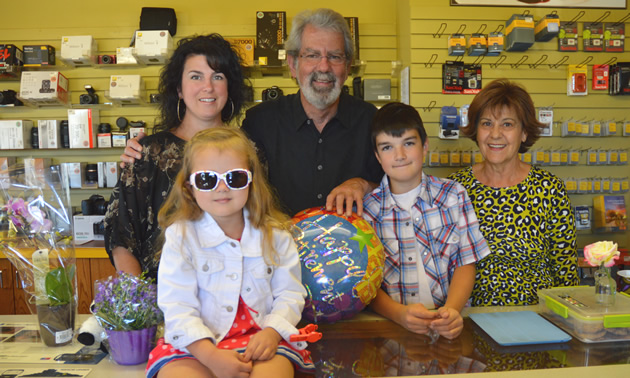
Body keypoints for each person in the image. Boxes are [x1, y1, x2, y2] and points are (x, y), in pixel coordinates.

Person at [120, 8, 383, 217]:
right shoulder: (260, 123)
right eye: (312, 55)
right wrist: (140, 150)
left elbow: (400, 185)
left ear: (347, 67)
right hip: (274, 272)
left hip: (354, 274)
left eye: (335, 56)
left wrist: (363, 184)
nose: (323, 66)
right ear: (293, 65)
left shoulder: (372, 122)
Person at [146, 128, 313, 377]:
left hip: (261, 339)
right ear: (189, 187)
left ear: (251, 180)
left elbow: (289, 294)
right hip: (196, 346)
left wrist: (272, 333)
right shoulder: (181, 236)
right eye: (207, 179)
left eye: (234, 178)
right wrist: (211, 356)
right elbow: (177, 306)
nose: (222, 187)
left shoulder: (276, 235)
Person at [104, 34, 246, 280]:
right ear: (179, 89)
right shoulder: (147, 154)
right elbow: (121, 236)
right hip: (163, 303)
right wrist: (141, 303)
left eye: (218, 76)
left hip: (236, 299)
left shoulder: (248, 151)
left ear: (229, 87)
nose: (208, 87)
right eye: (196, 76)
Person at [362, 102, 490, 340]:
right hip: (391, 329)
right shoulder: (368, 211)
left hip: (450, 326)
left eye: (408, 143)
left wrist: (452, 310)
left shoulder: (453, 195)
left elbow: (466, 262)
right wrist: (399, 314)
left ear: (425, 146)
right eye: (388, 147)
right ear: (378, 156)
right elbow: (367, 283)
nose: (399, 156)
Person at [448, 78, 578, 306]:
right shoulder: (454, 189)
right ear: (476, 131)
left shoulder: (549, 189)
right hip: (468, 321)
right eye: (487, 123)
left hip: (538, 322)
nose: (495, 134)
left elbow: (564, 269)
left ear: (524, 132)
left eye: (507, 124)